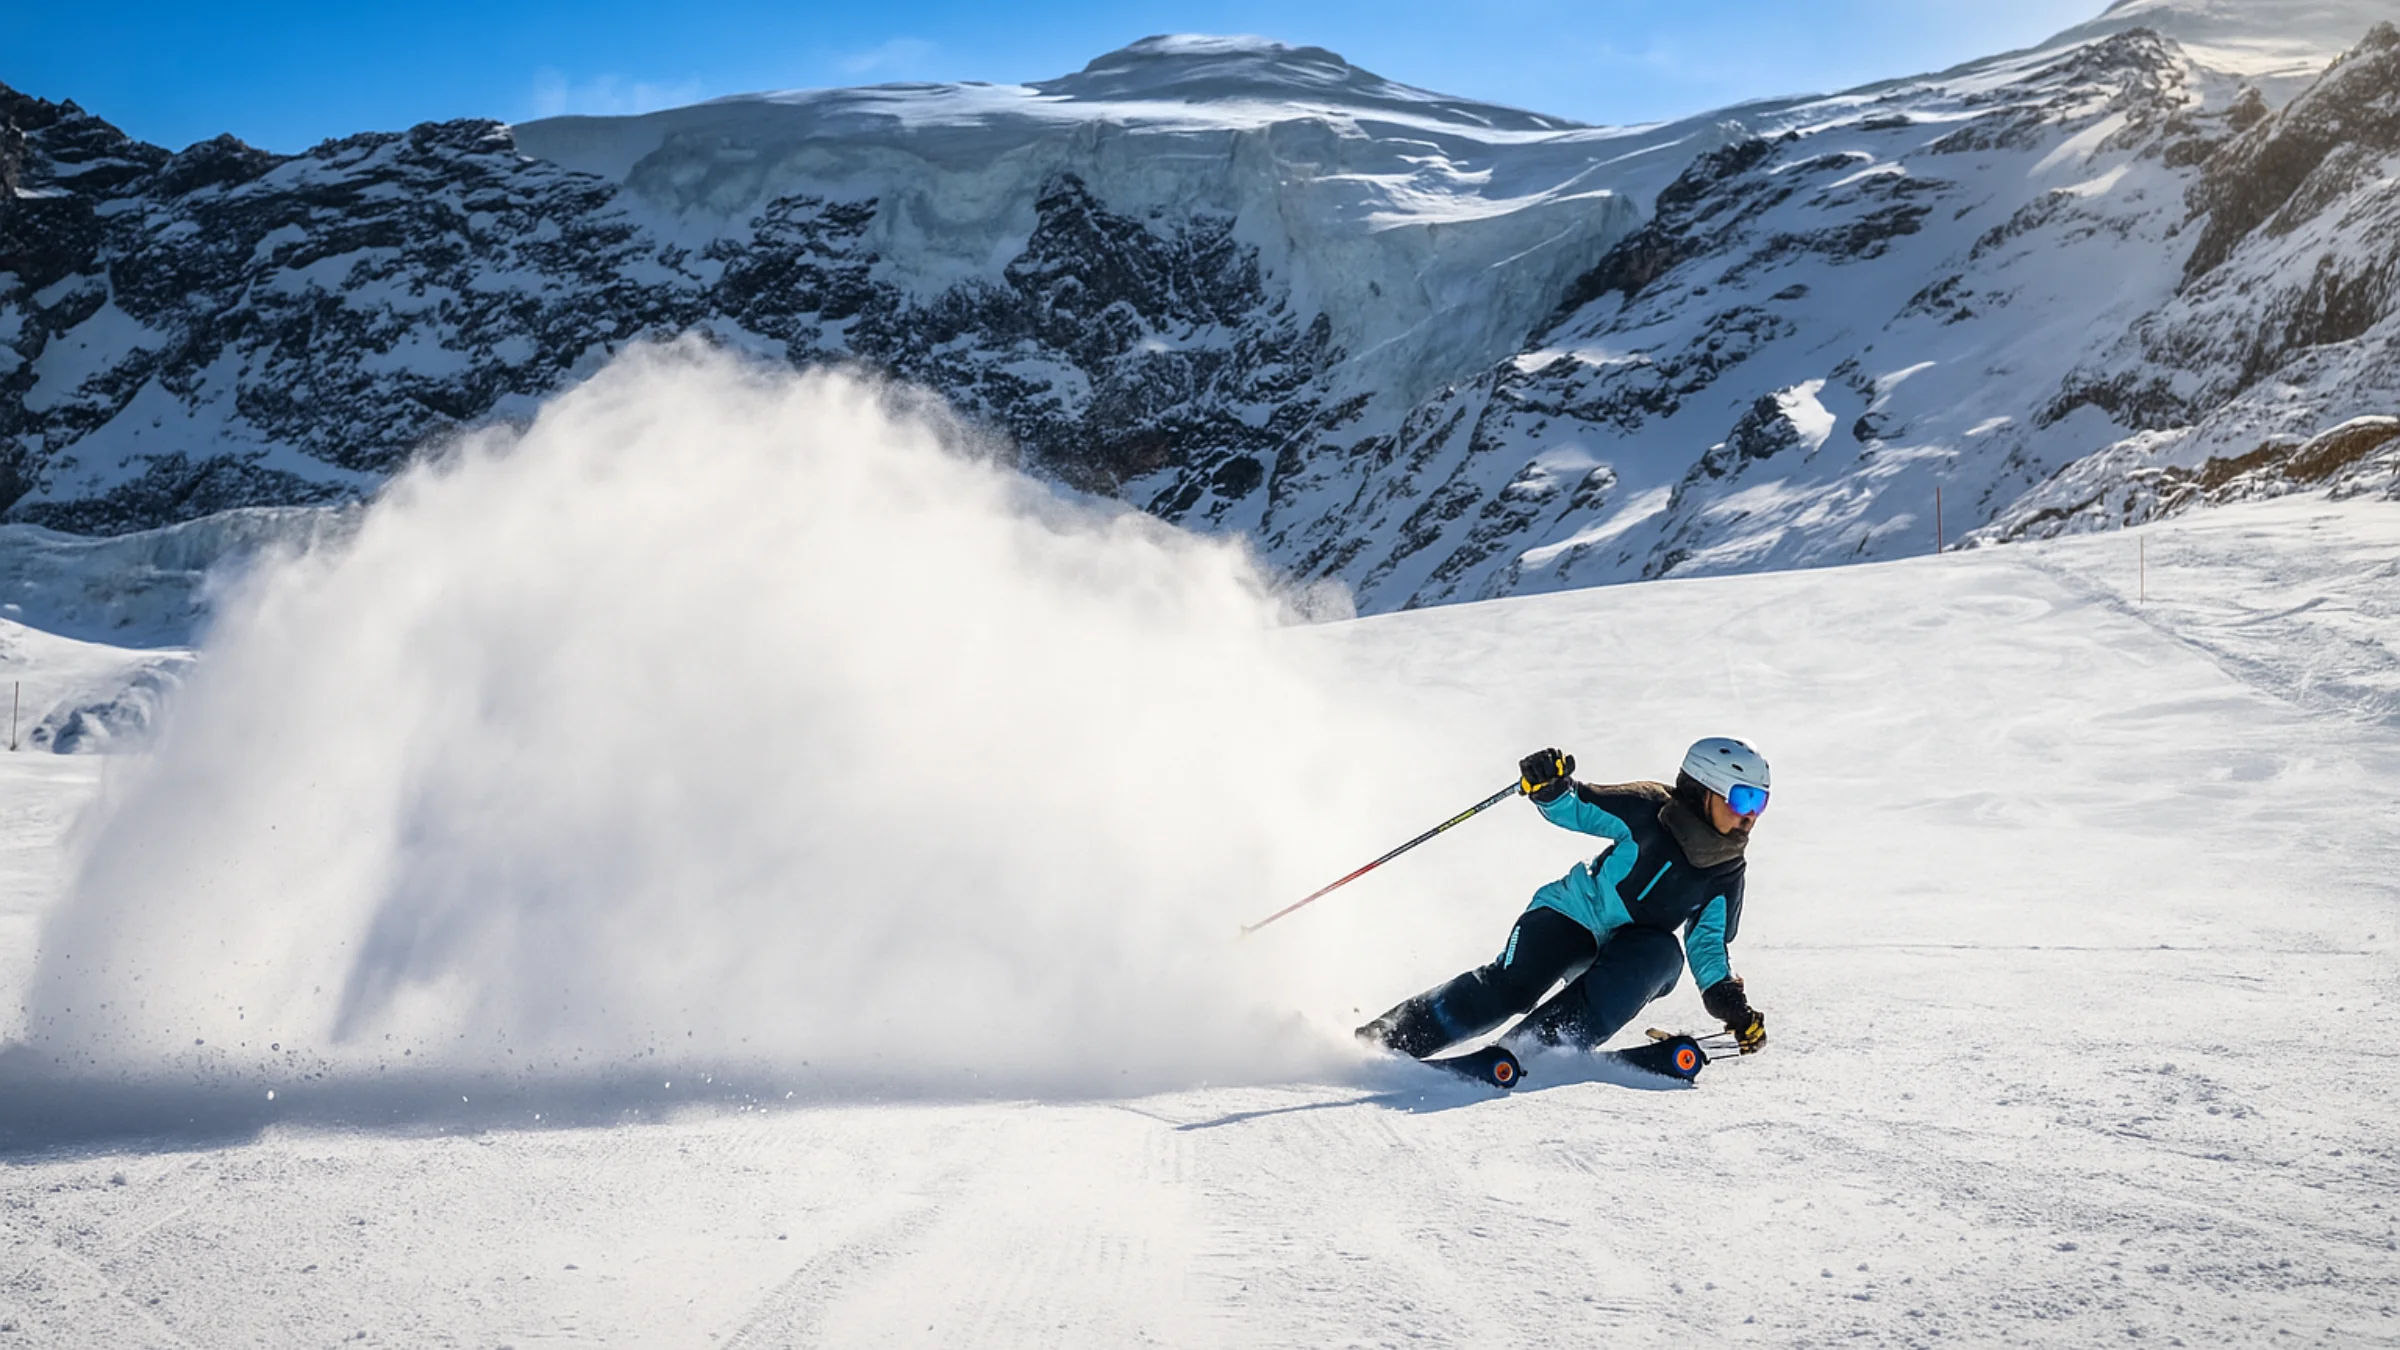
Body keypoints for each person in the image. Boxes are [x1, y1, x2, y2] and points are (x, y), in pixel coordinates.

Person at [1357, 736, 1771, 1060]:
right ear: (1703, 790)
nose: (1750, 814)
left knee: (1664, 956)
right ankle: (1388, 1038)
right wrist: (1549, 786)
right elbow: (1576, 807)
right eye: (1743, 798)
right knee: (1510, 989)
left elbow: (1707, 943)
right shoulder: (1648, 808)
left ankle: (1537, 1048)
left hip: (1630, 954)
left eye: (1760, 801)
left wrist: (1729, 1003)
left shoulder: (1727, 871)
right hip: (1570, 915)